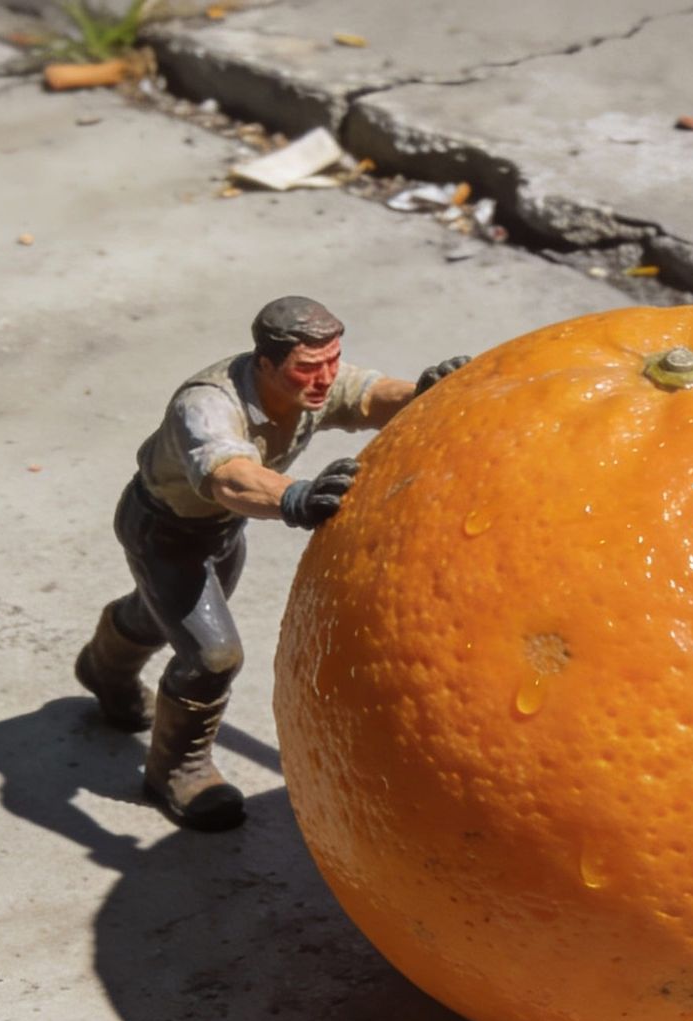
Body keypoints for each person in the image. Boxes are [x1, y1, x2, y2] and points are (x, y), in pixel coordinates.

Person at [74, 295, 468, 830]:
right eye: (308, 368)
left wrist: (424, 394)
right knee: (213, 656)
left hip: (220, 530)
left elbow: (369, 398)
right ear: (266, 363)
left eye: (331, 361)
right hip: (166, 533)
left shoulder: (315, 379)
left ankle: (104, 667)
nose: (324, 379)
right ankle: (177, 770)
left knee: (158, 618)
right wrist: (294, 497)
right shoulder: (208, 405)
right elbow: (229, 478)